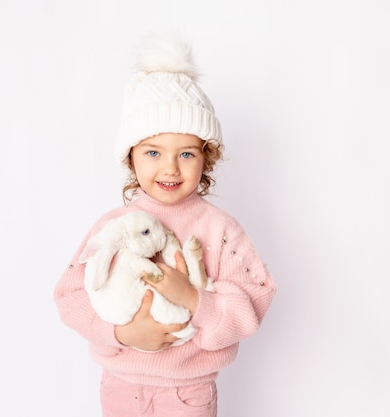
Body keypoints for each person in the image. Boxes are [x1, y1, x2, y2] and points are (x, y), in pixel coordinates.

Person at [54, 29, 277, 417]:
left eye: (187, 153)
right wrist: (121, 333)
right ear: (131, 157)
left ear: (207, 158)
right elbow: (70, 295)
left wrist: (194, 299)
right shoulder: (114, 226)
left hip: (187, 393)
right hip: (121, 388)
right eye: (153, 151)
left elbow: (256, 297)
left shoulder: (220, 230)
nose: (170, 168)